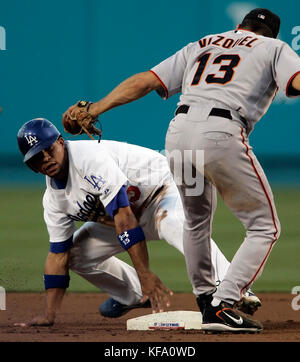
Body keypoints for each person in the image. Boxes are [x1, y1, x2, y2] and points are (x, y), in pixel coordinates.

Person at [63, 8, 300, 333]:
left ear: (237, 27)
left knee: (196, 222)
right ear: (271, 36)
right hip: (221, 134)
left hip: (178, 134)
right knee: (264, 227)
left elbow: (146, 81)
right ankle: (224, 302)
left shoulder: (203, 43)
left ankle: (206, 299)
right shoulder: (274, 49)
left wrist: (96, 107)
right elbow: (296, 82)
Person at [16, 118, 259, 326]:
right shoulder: (53, 202)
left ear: (60, 142)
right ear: (31, 166)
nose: (46, 158)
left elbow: (125, 218)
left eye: (49, 149)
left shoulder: (86, 158)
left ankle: (233, 287)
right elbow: (57, 256)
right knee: (74, 255)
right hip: (125, 215)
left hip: (162, 192)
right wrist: (49, 314)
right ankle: (132, 295)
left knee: (175, 223)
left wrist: (146, 273)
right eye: (38, 157)